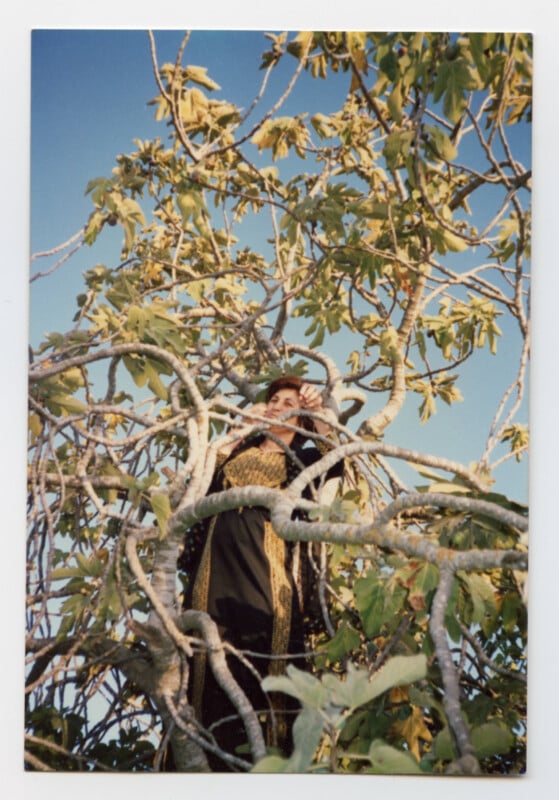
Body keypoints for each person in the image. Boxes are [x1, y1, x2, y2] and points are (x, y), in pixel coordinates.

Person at [179, 376, 343, 770]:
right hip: (212, 572)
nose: (276, 404)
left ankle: (264, 766)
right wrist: (240, 428)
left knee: (263, 650)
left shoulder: (301, 452)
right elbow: (200, 478)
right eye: (273, 399)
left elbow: (335, 461)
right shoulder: (242, 447)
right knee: (205, 655)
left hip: (264, 568)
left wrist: (319, 412)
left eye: (288, 401)